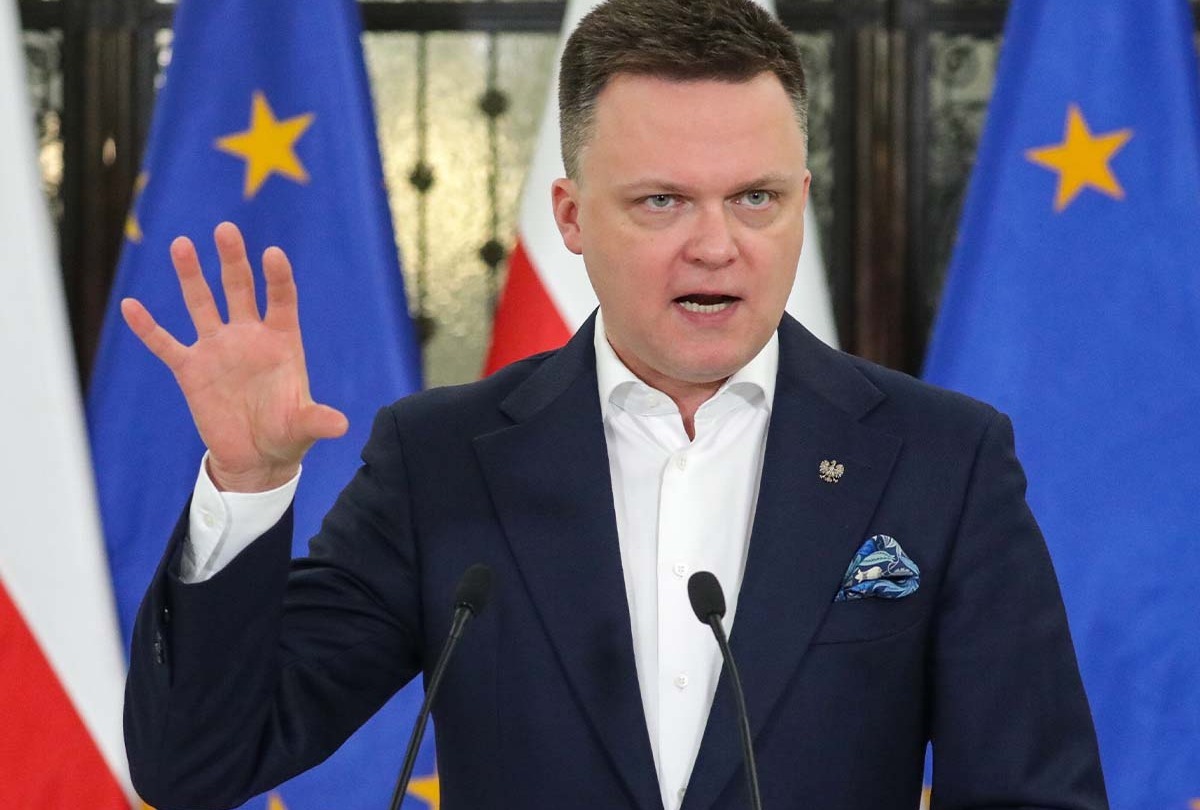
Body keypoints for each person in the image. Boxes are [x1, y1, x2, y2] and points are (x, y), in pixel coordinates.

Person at [121, 1, 1109, 808]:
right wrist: (246, 486)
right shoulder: (442, 461)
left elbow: (1034, 795)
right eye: (662, 201)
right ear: (572, 217)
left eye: (756, 198)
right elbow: (198, 766)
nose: (717, 245)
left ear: (801, 202)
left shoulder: (941, 459)